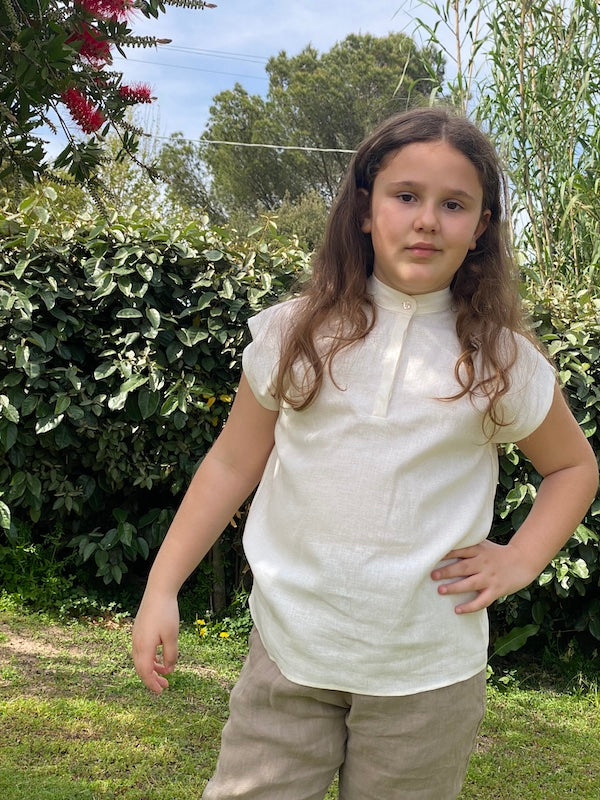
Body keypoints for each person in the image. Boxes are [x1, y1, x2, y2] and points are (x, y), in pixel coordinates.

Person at [132, 107, 598, 800]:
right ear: (363, 209)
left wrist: (521, 558)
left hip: (428, 674)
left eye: (454, 205)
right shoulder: (294, 333)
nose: (427, 220)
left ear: (481, 228)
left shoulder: (502, 361)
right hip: (290, 652)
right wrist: (162, 588)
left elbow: (573, 467)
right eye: (405, 195)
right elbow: (231, 464)